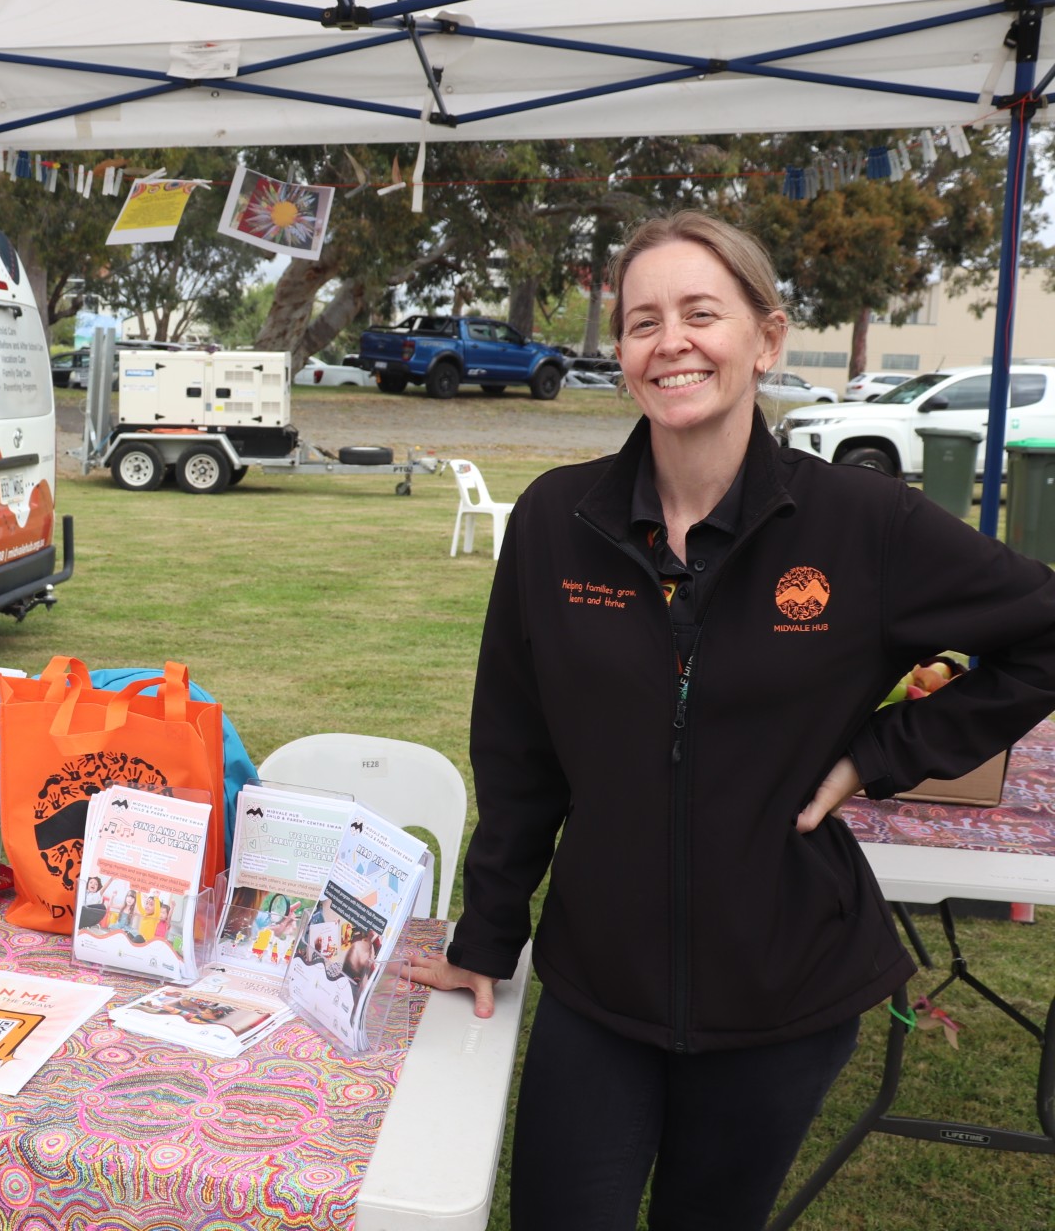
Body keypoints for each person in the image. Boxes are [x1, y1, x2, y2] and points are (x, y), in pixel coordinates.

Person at [405, 210, 1055, 1230]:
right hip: (597, 982)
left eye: (701, 312)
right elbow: (519, 753)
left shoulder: (863, 524)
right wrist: (489, 931)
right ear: (619, 352)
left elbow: (1042, 628)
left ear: (766, 336)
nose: (672, 342)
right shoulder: (554, 524)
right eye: (642, 320)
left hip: (785, 988)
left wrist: (882, 752)